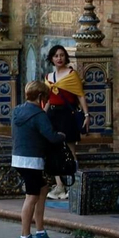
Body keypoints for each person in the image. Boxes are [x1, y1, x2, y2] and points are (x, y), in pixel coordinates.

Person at [11, 80, 67, 238]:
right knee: (32, 196)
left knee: (43, 189)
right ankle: (25, 236)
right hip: (32, 160)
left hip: (19, 157)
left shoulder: (17, 111)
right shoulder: (38, 114)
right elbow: (51, 136)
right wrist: (62, 136)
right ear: (41, 96)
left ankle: (40, 231)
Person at [43, 46, 87, 201]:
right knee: (53, 151)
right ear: (52, 59)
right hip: (52, 115)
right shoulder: (48, 76)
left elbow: (80, 95)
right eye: (56, 56)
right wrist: (42, 116)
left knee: (70, 150)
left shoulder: (71, 74)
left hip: (66, 114)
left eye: (61, 55)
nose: (59, 58)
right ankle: (59, 185)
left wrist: (86, 114)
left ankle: (74, 183)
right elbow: (47, 99)